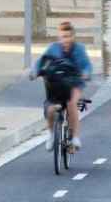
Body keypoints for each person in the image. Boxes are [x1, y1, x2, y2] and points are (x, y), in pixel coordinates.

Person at [29, 21, 92, 152]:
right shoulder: (53, 48)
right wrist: (35, 72)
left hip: (74, 82)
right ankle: (51, 134)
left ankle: (75, 137)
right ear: (59, 37)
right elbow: (41, 62)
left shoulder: (79, 49)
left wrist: (85, 73)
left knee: (71, 103)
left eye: (68, 36)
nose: (66, 40)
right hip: (56, 84)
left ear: (73, 37)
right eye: (63, 36)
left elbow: (87, 65)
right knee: (51, 109)